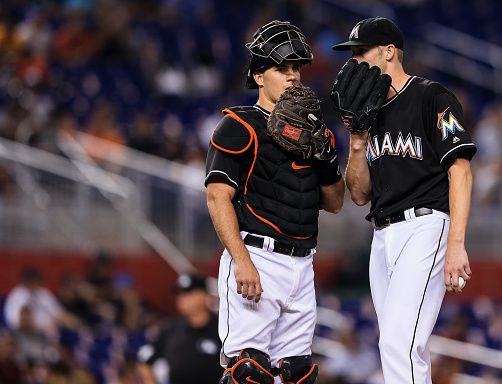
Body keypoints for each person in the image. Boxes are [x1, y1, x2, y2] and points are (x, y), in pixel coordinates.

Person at [332, 17, 477, 383]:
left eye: (360, 52)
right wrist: (358, 139)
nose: (353, 62)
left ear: (389, 51)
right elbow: (360, 193)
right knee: (399, 343)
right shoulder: (369, 113)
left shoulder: (431, 97)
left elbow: (459, 170)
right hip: (382, 236)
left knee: (399, 344)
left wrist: (457, 244)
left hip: (425, 226)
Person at [205, 20, 345, 384]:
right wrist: (242, 261)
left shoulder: (316, 131)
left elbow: (334, 202)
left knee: (295, 374)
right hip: (258, 257)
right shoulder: (239, 126)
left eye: (296, 68)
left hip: (302, 263)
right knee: (247, 372)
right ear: (257, 76)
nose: (293, 75)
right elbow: (217, 197)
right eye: (281, 68)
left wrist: (326, 155)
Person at [136, 273, 222, 383]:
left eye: (188, 293)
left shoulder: (222, 328)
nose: (182, 299)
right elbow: (145, 360)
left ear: (204, 295)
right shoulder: (170, 329)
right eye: (180, 294)